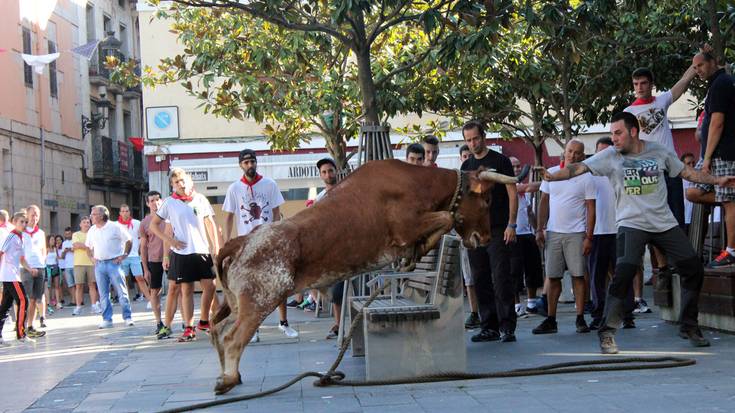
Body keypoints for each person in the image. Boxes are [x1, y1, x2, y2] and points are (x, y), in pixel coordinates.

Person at [541, 111, 735, 353]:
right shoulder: (609, 156)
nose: (614, 138)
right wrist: (553, 176)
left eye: (618, 133)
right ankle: (607, 332)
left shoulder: (658, 151)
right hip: (632, 224)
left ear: (633, 131)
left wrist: (717, 181)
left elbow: (687, 173)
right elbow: (577, 168)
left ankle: (688, 324)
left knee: (693, 267)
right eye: (612, 134)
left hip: (663, 223)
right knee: (623, 273)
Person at [223, 149, 298, 342]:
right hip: (246, 244)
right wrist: (227, 241)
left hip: (267, 241)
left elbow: (276, 212)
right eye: (246, 162)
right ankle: (254, 328)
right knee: (250, 288)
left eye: (252, 161)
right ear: (240, 165)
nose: (250, 165)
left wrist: (275, 235)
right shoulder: (234, 189)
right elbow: (229, 217)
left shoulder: (269, 184)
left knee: (279, 281)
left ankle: (283, 322)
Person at [461, 120, 518, 343]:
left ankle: (507, 327)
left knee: (501, 277)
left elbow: (512, 193)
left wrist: (511, 224)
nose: (473, 143)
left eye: (475, 138)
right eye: (468, 140)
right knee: (480, 277)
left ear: (483, 136)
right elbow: (464, 201)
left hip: (498, 229)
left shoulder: (500, 160)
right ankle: (489, 326)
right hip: (475, 232)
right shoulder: (466, 167)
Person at [150, 168, 220, 342]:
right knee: (186, 290)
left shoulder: (201, 199)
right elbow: (154, 225)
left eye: (182, 180)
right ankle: (188, 328)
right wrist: (170, 241)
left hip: (202, 250)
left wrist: (216, 248)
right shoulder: (169, 203)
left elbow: (210, 223)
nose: (180, 184)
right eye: (176, 182)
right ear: (172, 186)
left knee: (210, 286)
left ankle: (203, 320)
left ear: (189, 181)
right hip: (182, 252)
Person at [534, 140, 595, 335]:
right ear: (565, 151)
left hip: (577, 233)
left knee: (578, 275)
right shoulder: (550, 173)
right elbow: (544, 202)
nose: (573, 155)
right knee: (552, 277)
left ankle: (580, 318)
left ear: (582, 156)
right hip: (553, 233)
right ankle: (551, 319)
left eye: (578, 153)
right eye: (570, 151)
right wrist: (539, 228)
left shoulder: (586, 177)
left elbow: (591, 208)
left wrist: (589, 237)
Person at [689, 52, 735, 268]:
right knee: (693, 192)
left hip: (722, 153)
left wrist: (706, 158)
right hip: (712, 154)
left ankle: (731, 251)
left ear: (712, 62)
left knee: (729, 202)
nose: (698, 70)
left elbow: (717, 122)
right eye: (695, 67)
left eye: (700, 65)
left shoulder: (721, 83)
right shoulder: (717, 83)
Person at [85, 205, 134, 328]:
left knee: (122, 292)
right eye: (91, 214)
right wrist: (91, 258)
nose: (91, 216)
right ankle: (107, 319)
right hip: (99, 264)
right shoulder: (92, 230)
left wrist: (124, 255)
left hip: (114, 263)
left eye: (94, 214)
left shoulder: (115, 226)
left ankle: (127, 317)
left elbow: (129, 240)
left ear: (102, 216)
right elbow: (87, 246)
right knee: (103, 294)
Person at [0, 212, 43, 343]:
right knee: (23, 301)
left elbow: (22, 258)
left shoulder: (22, 238)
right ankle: (21, 334)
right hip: (9, 275)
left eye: (25, 222)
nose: (24, 224)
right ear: (14, 222)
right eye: (21, 222)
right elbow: (1, 252)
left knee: (5, 307)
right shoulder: (11, 236)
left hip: (14, 275)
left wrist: (30, 269)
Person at [508, 156, 543, 317]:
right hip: (514, 235)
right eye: (513, 167)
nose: (516, 170)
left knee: (533, 269)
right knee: (514, 272)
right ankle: (516, 305)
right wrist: (551, 181)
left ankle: (531, 303)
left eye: (518, 166)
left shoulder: (521, 187)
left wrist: (538, 230)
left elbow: (530, 212)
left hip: (527, 233)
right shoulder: (507, 187)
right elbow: (530, 187)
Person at [140, 191, 169, 334]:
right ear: (147, 204)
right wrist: (145, 268)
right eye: (151, 200)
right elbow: (143, 246)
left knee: (179, 290)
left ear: (161, 200)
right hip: (154, 260)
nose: (155, 202)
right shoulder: (145, 223)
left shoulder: (170, 217)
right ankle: (159, 323)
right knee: (155, 292)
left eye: (157, 199)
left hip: (171, 257)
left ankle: (184, 322)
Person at [459, 144, 480, 328]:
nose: (467, 158)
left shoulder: (480, 182)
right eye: (464, 156)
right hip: (465, 234)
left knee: (480, 275)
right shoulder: (459, 182)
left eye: (468, 155)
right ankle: (474, 312)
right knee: (469, 277)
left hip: (481, 232)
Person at [118, 204, 151, 308]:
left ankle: (150, 299)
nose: (125, 213)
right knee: (123, 279)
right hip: (121, 256)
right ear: (120, 213)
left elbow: (143, 236)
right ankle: (125, 300)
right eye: (122, 211)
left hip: (134, 255)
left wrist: (140, 246)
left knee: (139, 278)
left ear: (129, 212)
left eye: (126, 211)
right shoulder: (116, 225)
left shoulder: (136, 223)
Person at [21, 205, 47, 336]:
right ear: (26, 214)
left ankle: (30, 326)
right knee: (26, 299)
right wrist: (29, 268)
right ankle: (21, 326)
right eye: (32, 214)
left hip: (40, 267)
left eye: (37, 214)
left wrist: (42, 262)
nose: (35, 217)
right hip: (26, 269)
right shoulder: (22, 232)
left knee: (35, 299)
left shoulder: (41, 233)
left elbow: (44, 250)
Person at [72, 217, 100, 315]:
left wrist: (84, 245)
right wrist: (89, 246)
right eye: (84, 222)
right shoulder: (76, 234)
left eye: (88, 222)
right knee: (78, 285)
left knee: (92, 285)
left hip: (91, 262)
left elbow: (96, 245)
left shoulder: (93, 234)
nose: (86, 224)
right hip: (79, 263)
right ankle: (78, 306)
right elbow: (76, 245)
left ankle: (94, 306)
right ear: (80, 224)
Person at [59, 227, 75, 306]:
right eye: (66, 234)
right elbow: (62, 256)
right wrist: (65, 251)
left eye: (69, 234)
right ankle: (73, 300)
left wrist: (71, 250)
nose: (67, 235)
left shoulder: (75, 240)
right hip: (67, 265)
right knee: (70, 284)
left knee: (77, 284)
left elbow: (78, 251)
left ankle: (79, 300)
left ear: (72, 233)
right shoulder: (64, 243)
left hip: (75, 264)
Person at [45, 235, 62, 311]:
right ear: (48, 241)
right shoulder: (46, 249)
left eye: (53, 240)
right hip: (48, 268)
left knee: (57, 286)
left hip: (55, 267)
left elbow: (58, 258)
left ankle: (58, 302)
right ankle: (49, 302)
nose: (53, 241)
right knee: (48, 286)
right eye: (51, 240)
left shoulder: (55, 249)